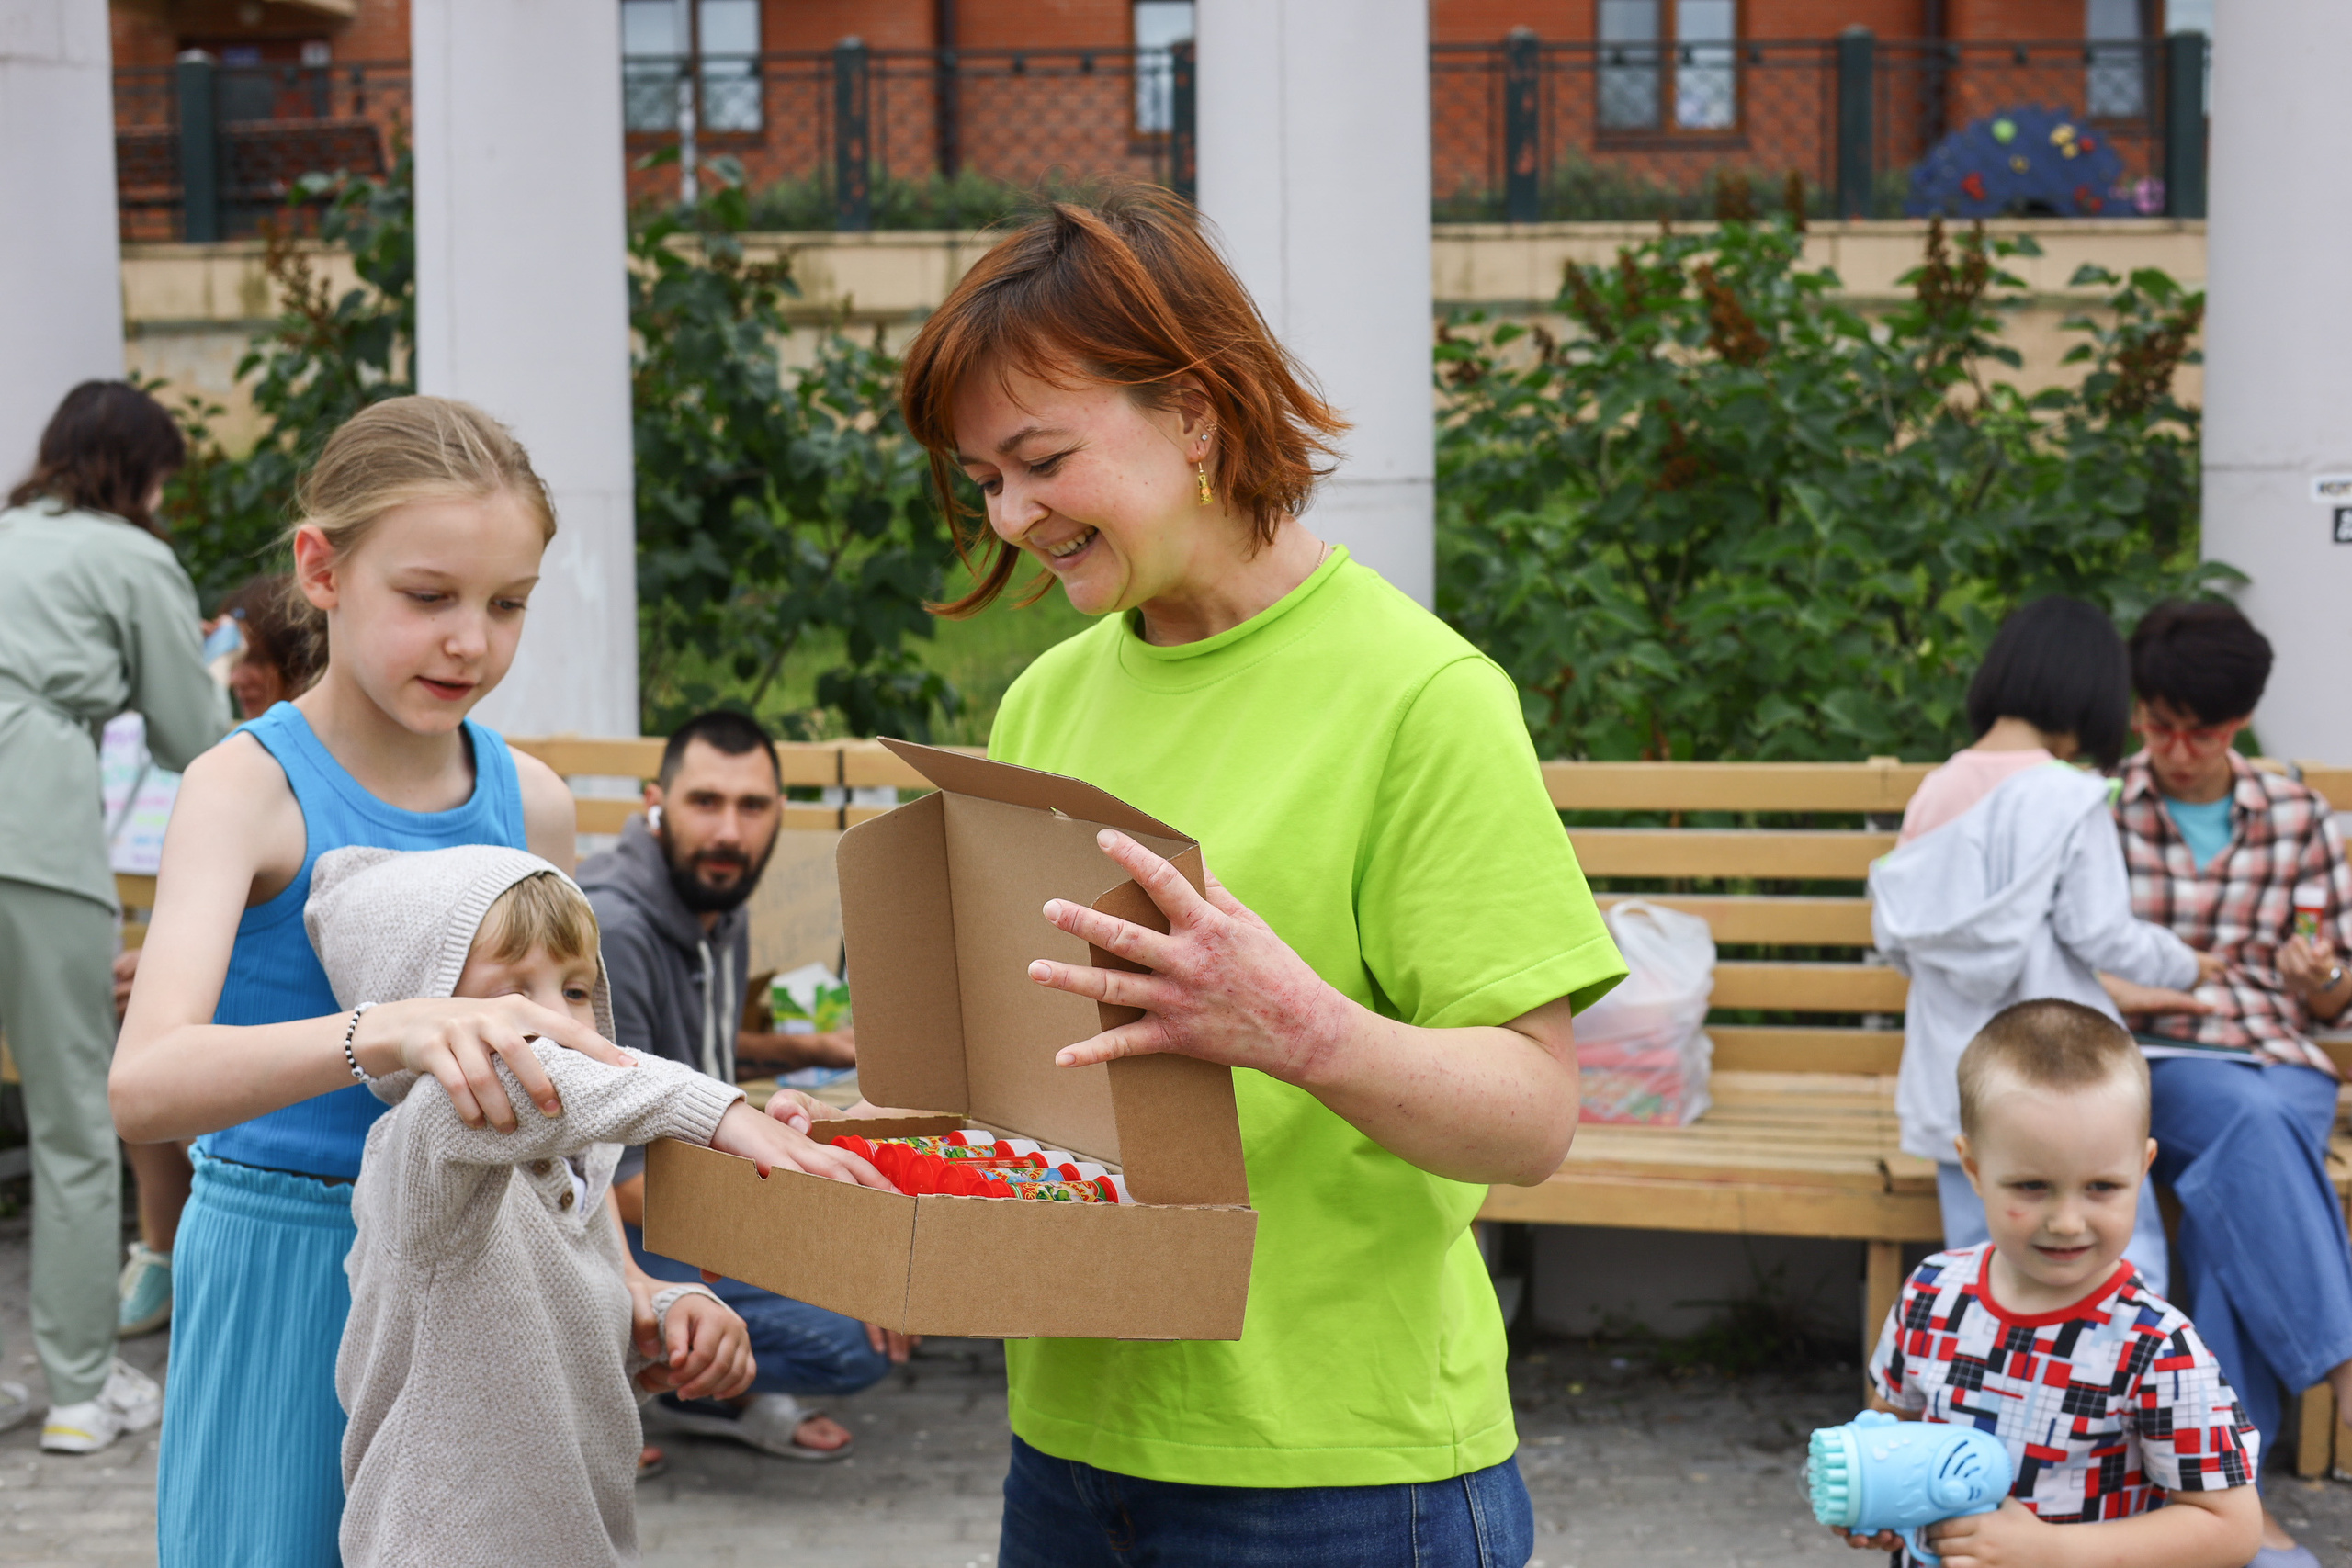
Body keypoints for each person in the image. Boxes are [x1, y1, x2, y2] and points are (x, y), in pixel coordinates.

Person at [889, 187, 1623, 1566]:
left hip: (1344, 1474)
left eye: (1040, 457)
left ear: (1197, 413)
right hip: (1070, 1446)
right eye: (984, 476)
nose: (1011, 512)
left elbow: (1533, 1117)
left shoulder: (1423, 696)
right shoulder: (1042, 704)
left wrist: (1301, 1028)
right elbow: (1034, 1079)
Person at [107, 396, 876, 1566]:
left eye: (507, 604)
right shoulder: (246, 784)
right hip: (284, 1266)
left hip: (500, 1267)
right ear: (322, 567)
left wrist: (635, 1293)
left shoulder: (535, 802)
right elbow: (146, 1083)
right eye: (429, 598)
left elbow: (566, 1099)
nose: (472, 640)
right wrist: (392, 1031)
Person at [305, 843, 889, 1566]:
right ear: (428, 1019)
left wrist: (666, 1319)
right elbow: (527, 1082)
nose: (558, 1019)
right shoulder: (426, 1146)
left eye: (577, 990)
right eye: (514, 996)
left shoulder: (569, 1172)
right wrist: (723, 1115)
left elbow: (552, 1373)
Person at [0, 379, 233, 1452]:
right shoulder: (131, 557)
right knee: (74, 1127)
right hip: (30, 833)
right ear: (140, 473)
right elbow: (198, 738)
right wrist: (209, 668)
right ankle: (83, 1394)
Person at [1871, 596, 2218, 1296]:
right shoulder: (2068, 796)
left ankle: (1988, 1401)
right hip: (2062, 1077)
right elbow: (2101, 931)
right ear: (2089, 691)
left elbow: (1902, 941)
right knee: (2118, 1279)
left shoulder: (1933, 791)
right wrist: (2188, 963)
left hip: (1957, 1076)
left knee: (1986, 1279)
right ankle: (2112, 1403)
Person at [2104, 599, 2352, 1568]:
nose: (2175, 749)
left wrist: (2319, 980)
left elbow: (2335, 998)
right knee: (2246, 1131)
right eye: (2158, 724)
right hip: (2147, 1065)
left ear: (2239, 719)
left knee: (2228, 1195)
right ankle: (2339, 1365)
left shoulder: (2299, 818)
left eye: (2199, 731)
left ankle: (2226, 1515)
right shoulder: (2097, 807)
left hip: (2276, 1065)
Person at [1847, 998, 2261, 1568]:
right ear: (1972, 1168)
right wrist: (1875, 1500)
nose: (2067, 1222)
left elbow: (2231, 1528)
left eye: (2101, 1187)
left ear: (2142, 1169)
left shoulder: (2155, 1347)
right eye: (2032, 1185)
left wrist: (2051, 1550)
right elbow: (1894, 1428)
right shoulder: (1931, 1295)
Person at [579, 710, 892, 1464]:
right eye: (705, 802)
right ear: (656, 801)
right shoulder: (617, 928)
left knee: (879, 1280)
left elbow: (686, 1052)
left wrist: (808, 1044)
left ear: (780, 812)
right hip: (606, 1231)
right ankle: (611, 1381)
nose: (729, 831)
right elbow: (617, 1181)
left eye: (752, 806)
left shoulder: (716, 897)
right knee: (850, 1341)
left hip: (687, 1196)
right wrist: (822, 1241)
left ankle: (690, 1373)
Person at [119, 570, 322, 1339]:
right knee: (136, 1020)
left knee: (154, 1037)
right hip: (244, 998)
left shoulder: (304, 768)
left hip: (302, 1021)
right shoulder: (229, 763)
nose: (234, 671)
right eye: (223, 648)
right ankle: (162, 1247)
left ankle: (167, 1247)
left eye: (248, 652)